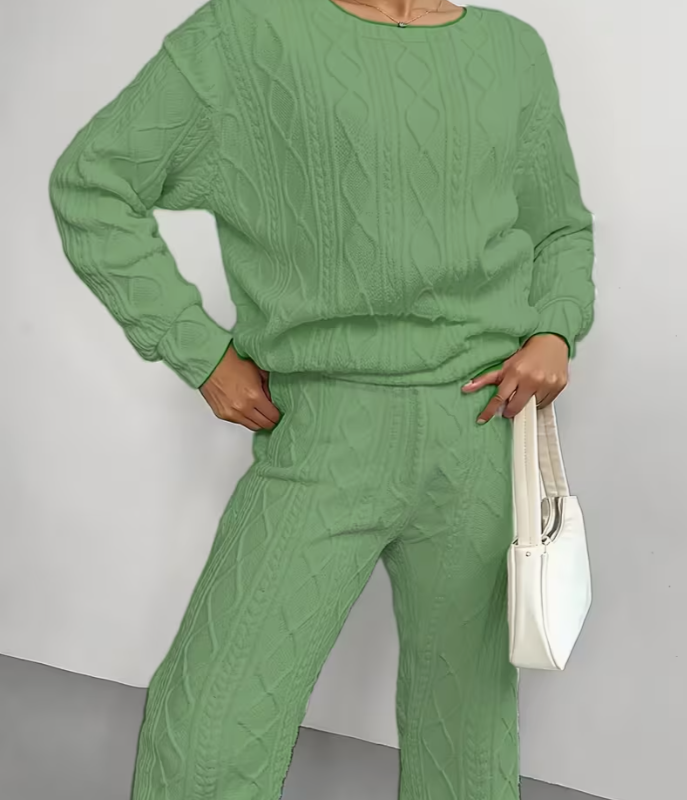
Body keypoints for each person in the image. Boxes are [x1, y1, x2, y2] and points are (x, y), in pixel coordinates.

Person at [49, 1, 595, 798]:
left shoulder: (511, 50)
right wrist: (200, 354)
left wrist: (553, 329)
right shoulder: (246, 34)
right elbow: (92, 183)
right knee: (212, 724)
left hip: (482, 429)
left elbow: (558, 229)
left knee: (469, 728)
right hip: (325, 430)